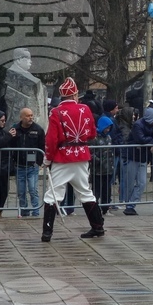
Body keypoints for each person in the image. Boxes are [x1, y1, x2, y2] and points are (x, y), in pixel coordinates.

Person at [41, 77, 106, 241]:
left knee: (53, 195)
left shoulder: (55, 112)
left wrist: (47, 159)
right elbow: (92, 133)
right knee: (85, 192)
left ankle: (47, 232)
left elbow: (51, 140)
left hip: (62, 157)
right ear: (75, 95)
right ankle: (97, 227)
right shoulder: (85, 109)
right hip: (82, 155)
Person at [124, 107, 153, 214]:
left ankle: (131, 204)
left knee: (142, 183)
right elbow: (140, 139)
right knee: (130, 182)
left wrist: (147, 141)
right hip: (132, 157)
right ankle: (128, 204)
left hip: (143, 157)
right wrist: (150, 141)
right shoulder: (138, 125)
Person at [12, 107, 46, 218]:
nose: (30, 117)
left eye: (31, 115)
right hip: (19, 165)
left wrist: (38, 162)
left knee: (33, 190)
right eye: (27, 115)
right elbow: (10, 143)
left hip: (32, 166)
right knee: (21, 192)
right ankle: (24, 211)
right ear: (21, 117)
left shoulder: (38, 129)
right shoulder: (15, 129)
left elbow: (42, 147)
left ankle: (35, 211)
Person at [5, 48, 48, 129]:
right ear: (18, 60)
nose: (30, 61)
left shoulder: (26, 74)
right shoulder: (14, 73)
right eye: (27, 58)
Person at [90, 114, 116, 212]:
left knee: (106, 189)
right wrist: (99, 161)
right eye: (106, 128)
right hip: (97, 169)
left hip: (108, 168)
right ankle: (94, 208)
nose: (107, 130)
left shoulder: (109, 137)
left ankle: (105, 207)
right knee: (96, 190)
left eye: (109, 128)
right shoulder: (94, 138)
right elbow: (91, 153)